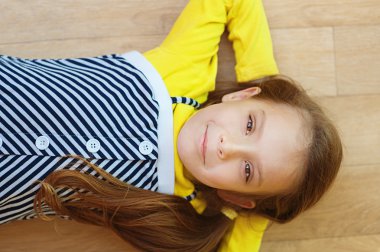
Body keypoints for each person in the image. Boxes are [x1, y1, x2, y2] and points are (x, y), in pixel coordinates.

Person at [0, 0, 342, 251]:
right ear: (241, 98)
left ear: (236, 195)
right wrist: (262, 78)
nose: (229, 146)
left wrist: (250, 213)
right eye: (250, 124)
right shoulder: (180, 74)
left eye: (248, 169)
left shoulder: (179, 215)